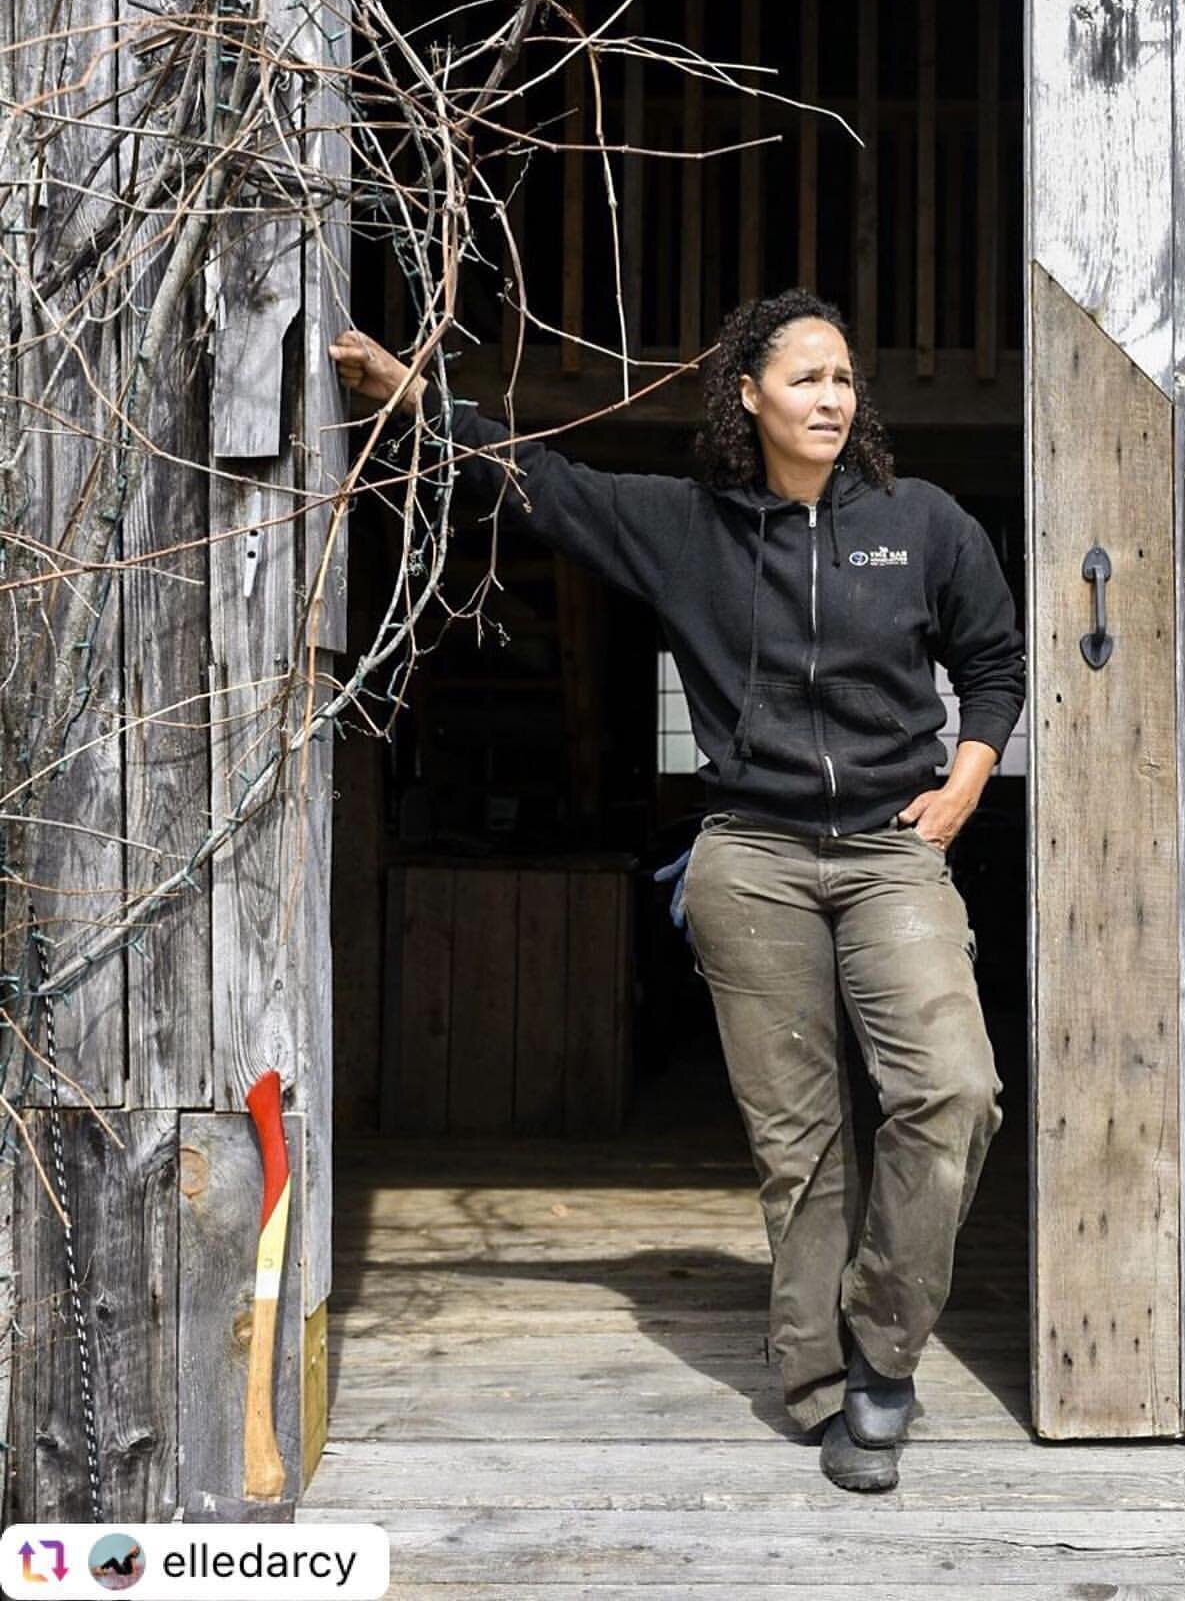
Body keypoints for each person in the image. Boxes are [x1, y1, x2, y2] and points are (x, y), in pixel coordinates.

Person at [329, 288, 1025, 1493]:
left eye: (844, 378)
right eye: (803, 377)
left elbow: (995, 666)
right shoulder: (688, 527)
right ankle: (824, 1382)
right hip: (748, 855)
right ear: (747, 395)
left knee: (953, 1091)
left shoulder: (923, 523)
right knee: (798, 1138)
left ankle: (885, 1342)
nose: (829, 396)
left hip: (887, 849)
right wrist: (411, 403)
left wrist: (964, 788)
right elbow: (538, 479)